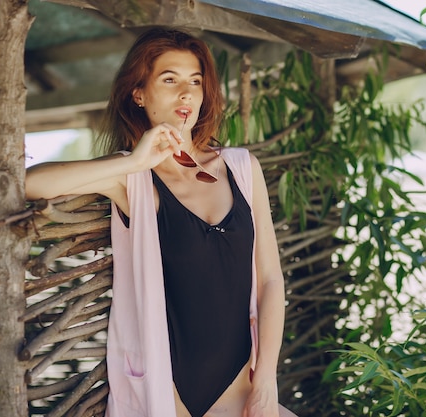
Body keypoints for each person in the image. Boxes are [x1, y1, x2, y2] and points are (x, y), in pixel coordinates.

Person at [26, 27, 297, 417]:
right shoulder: (131, 177)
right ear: (139, 93)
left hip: (242, 389)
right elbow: (30, 184)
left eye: (195, 81)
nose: (186, 93)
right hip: (167, 398)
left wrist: (266, 380)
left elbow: (271, 278)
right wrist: (136, 161)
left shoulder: (241, 168)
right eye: (170, 80)